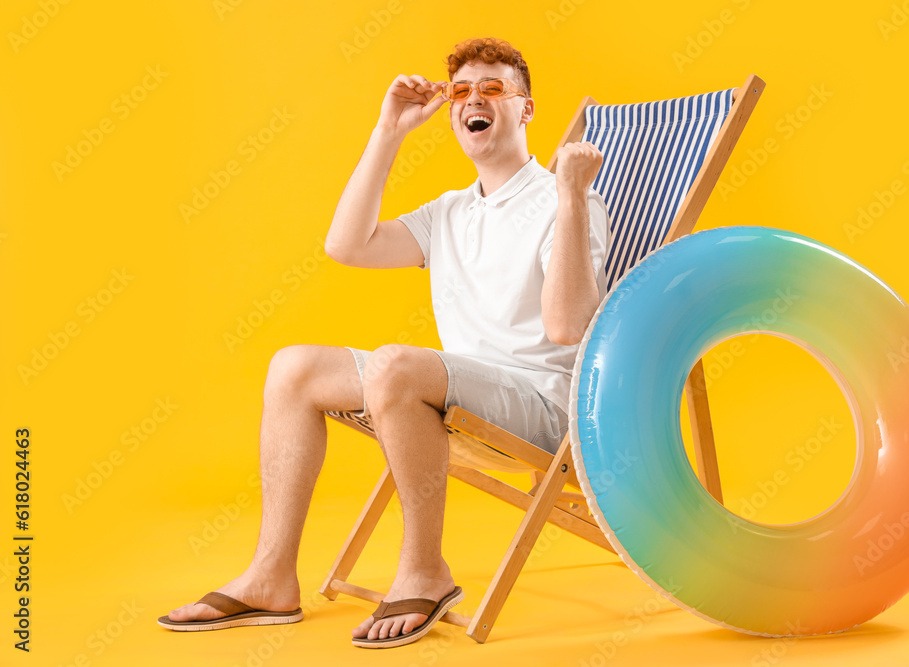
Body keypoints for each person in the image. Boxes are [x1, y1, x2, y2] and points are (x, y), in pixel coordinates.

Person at [157, 36, 610, 648]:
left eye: (494, 88)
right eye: (463, 91)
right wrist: (389, 130)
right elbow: (347, 246)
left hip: (542, 408)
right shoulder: (452, 212)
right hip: (462, 390)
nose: (476, 100)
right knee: (293, 368)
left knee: (396, 365)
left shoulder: (566, 199)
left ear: (526, 109)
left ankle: (425, 569)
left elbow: (569, 327)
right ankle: (270, 576)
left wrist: (572, 195)